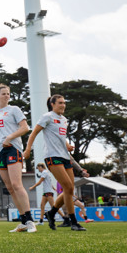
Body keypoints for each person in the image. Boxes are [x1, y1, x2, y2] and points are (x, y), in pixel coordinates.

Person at [25, 94, 86, 231]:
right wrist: (28, 149)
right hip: (52, 156)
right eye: (60, 103)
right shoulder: (47, 117)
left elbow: (60, 137)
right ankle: (73, 222)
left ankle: (51, 213)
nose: (63, 105)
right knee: (68, 187)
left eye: (64, 102)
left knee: (69, 189)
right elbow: (33, 133)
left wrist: (67, 145)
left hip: (65, 156)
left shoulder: (64, 120)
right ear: (52, 104)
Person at [0, 83, 35, 233]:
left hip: (13, 149)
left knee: (16, 184)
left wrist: (10, 137)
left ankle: (30, 221)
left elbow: (25, 128)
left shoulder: (14, 110)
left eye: (8, 93)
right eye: (3, 93)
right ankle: (23, 221)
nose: (7, 96)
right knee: (10, 188)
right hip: (0, 152)